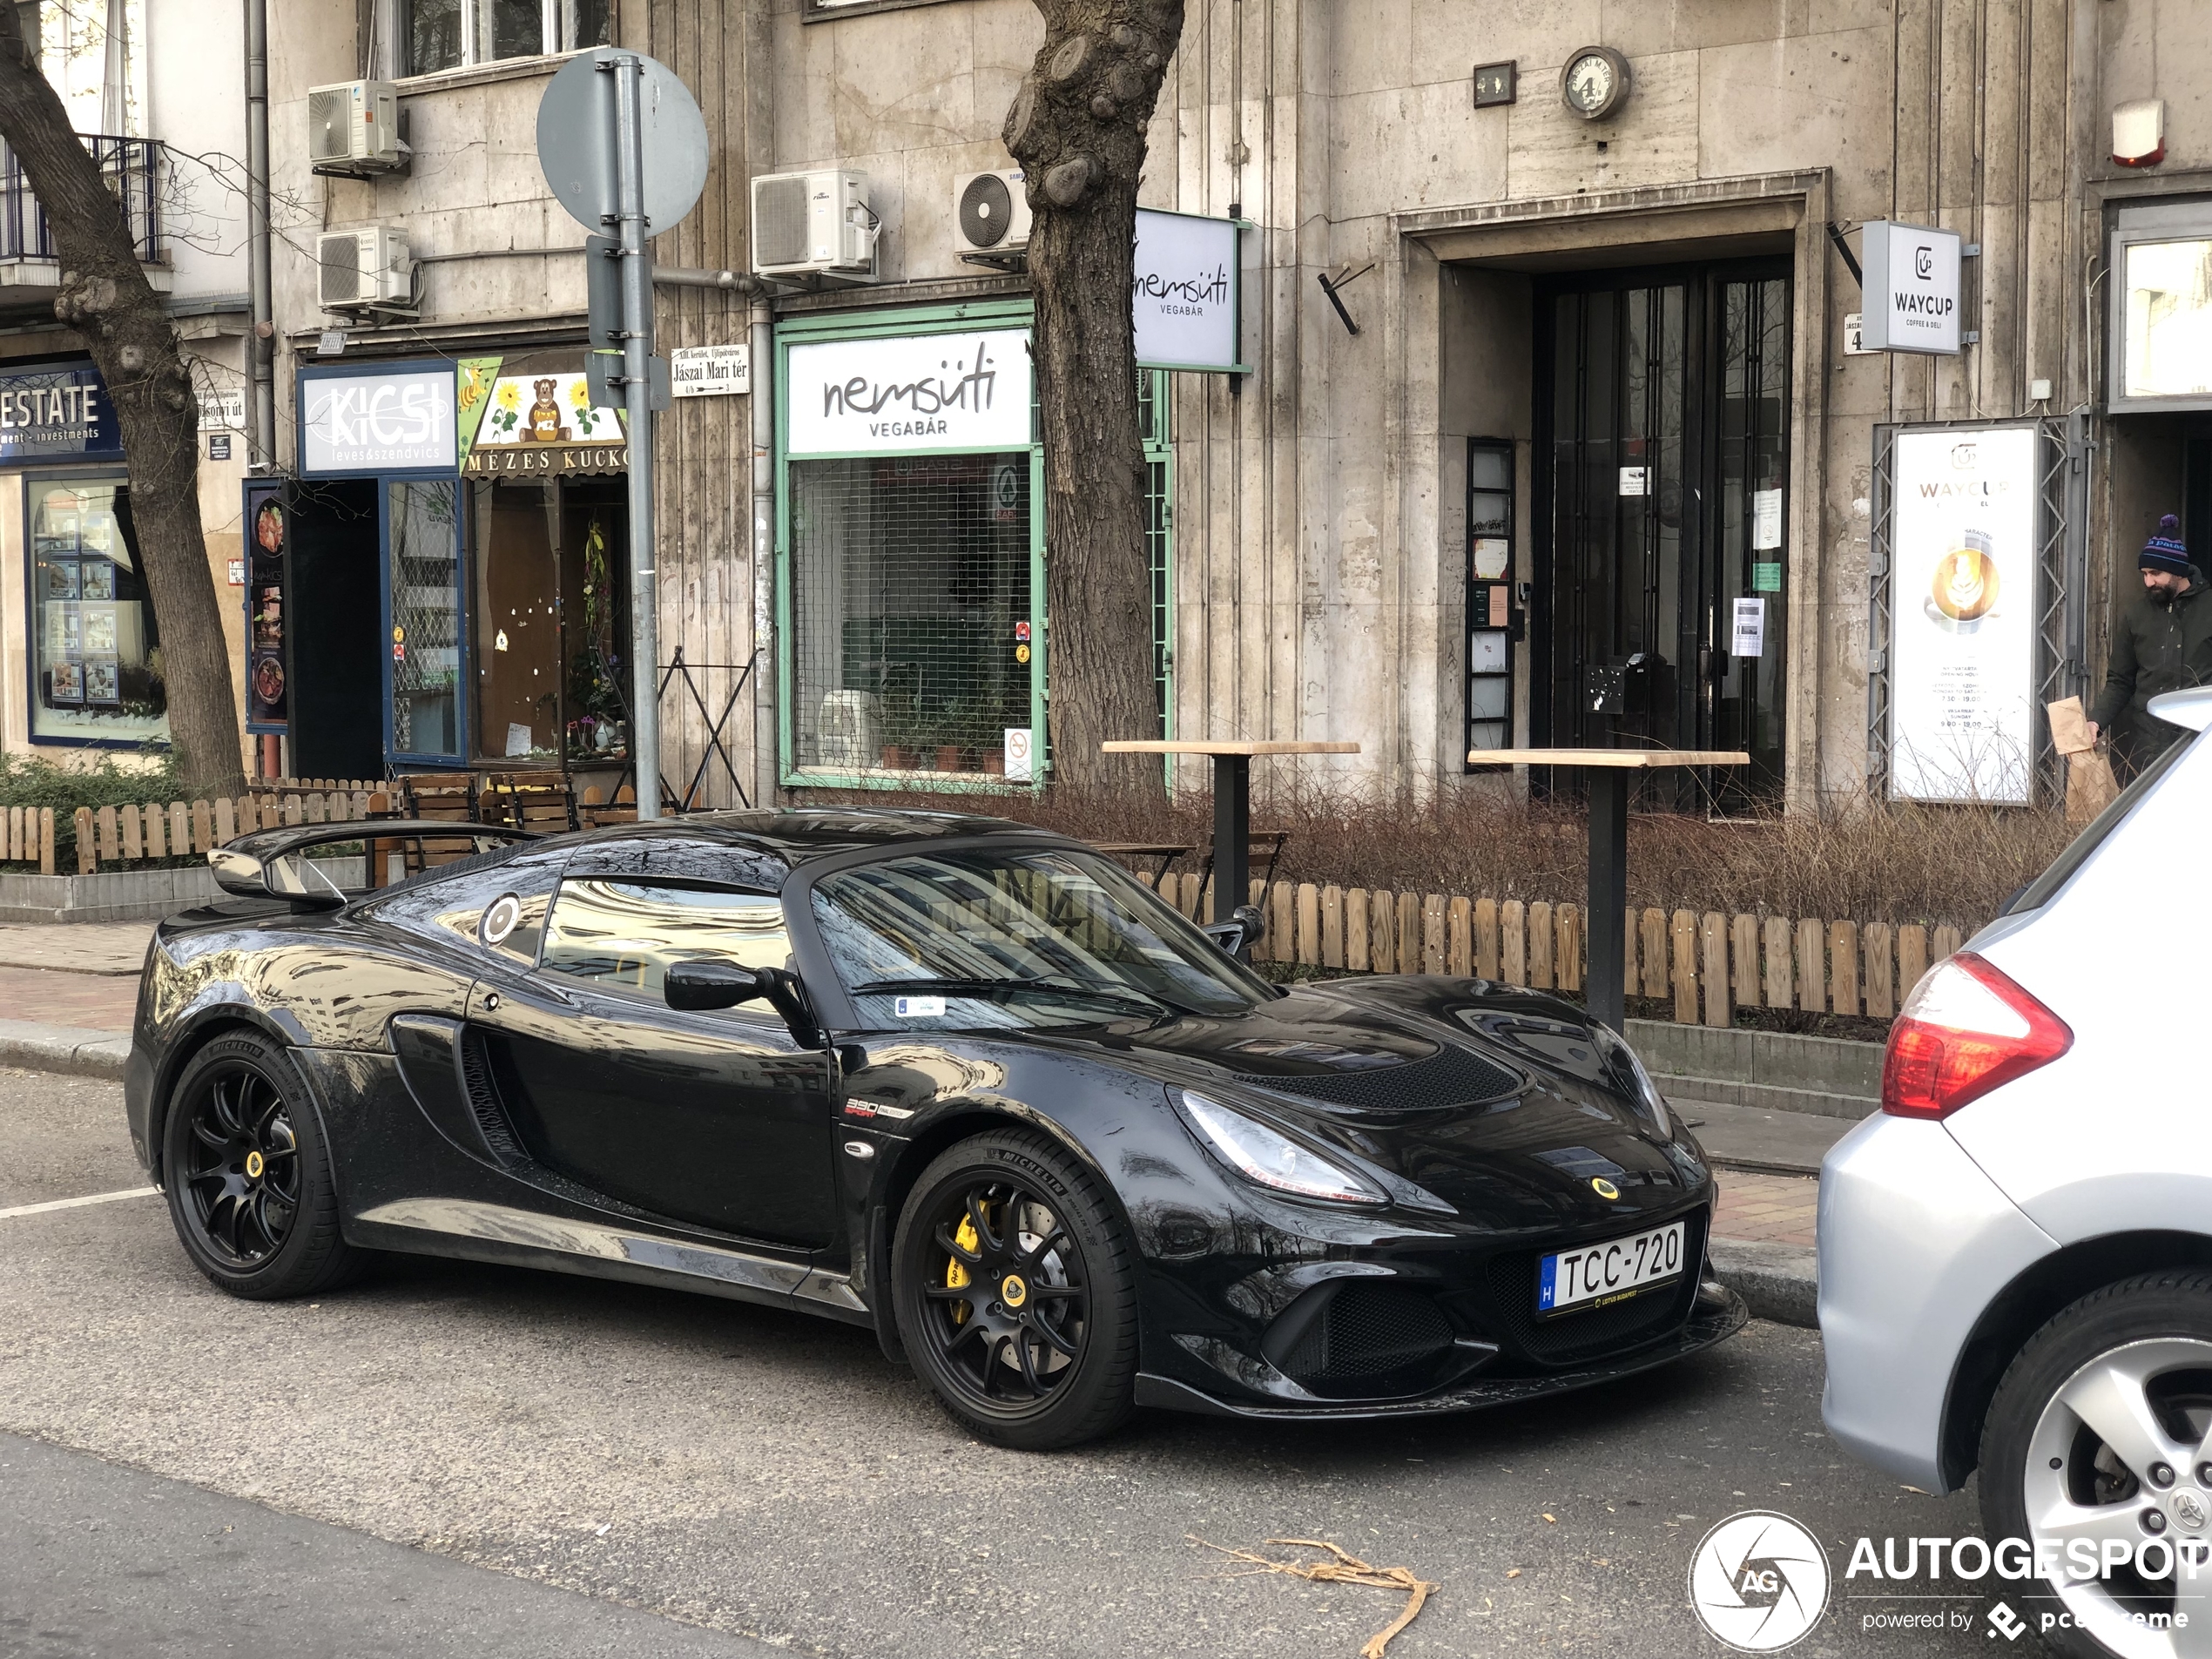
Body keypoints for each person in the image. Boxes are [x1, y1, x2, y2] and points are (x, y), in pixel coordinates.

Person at [2087, 515, 2212, 773]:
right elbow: (2120, 680)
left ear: (2178, 570)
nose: (2148, 582)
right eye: (2145, 574)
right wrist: (2096, 721)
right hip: (2149, 746)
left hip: (2202, 740)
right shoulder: (2136, 616)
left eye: (2156, 573)